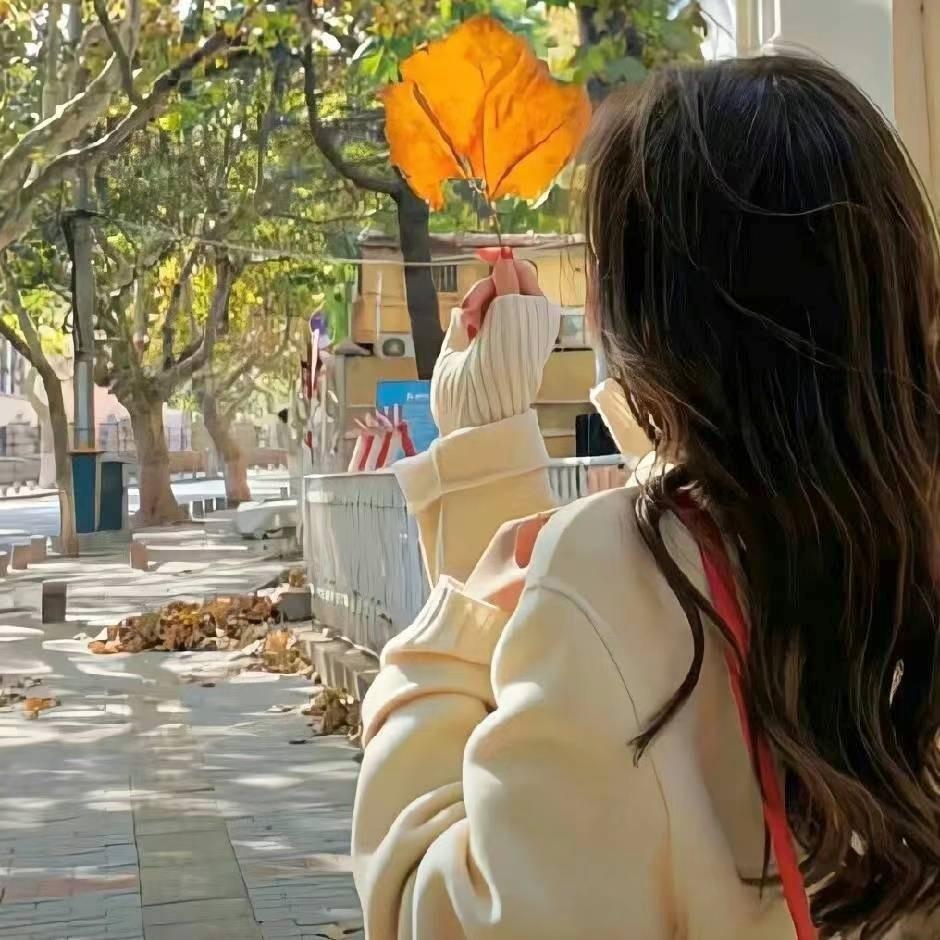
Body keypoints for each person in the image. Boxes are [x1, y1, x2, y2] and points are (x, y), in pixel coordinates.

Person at [351, 55, 940, 939]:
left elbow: (446, 914)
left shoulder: (616, 579)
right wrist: (488, 440)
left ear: (644, 320)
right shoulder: (885, 533)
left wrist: (442, 651)